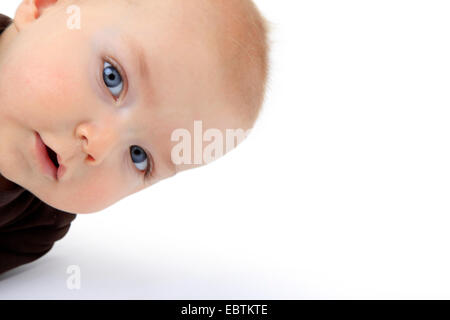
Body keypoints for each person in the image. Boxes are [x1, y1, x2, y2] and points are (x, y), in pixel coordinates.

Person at [0, 0, 269, 275]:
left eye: (138, 156)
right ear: (46, 7)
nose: (100, 145)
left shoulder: (35, 226)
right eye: (112, 77)